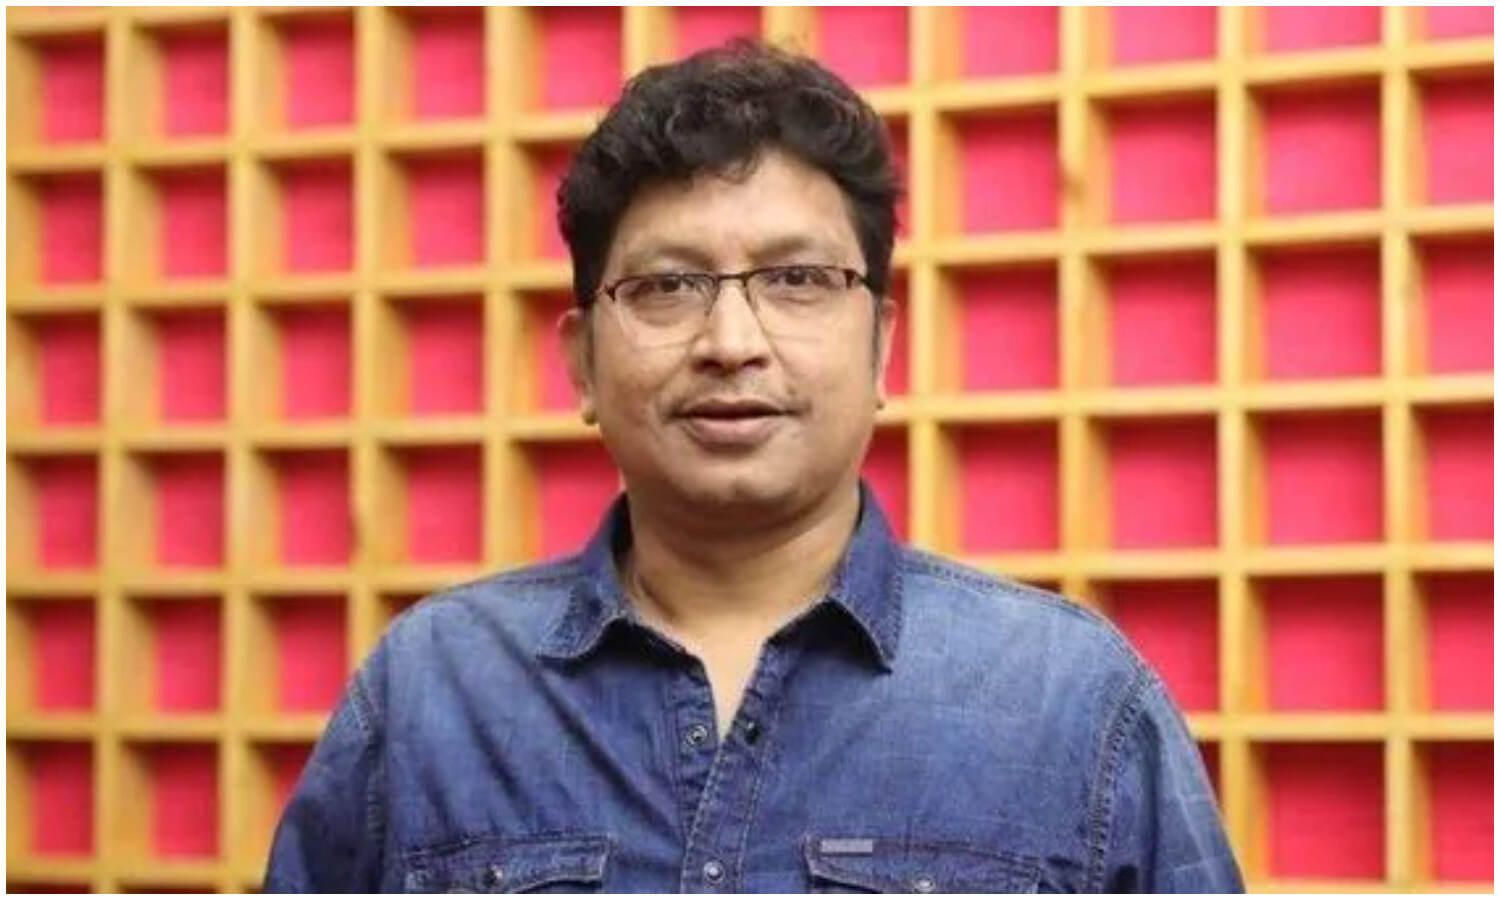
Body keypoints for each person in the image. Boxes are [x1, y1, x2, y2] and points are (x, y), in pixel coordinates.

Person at [264, 40, 1243, 893]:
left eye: (797, 279)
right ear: (583, 363)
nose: (731, 342)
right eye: (667, 285)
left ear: (881, 346)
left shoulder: (1071, 700)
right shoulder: (433, 690)